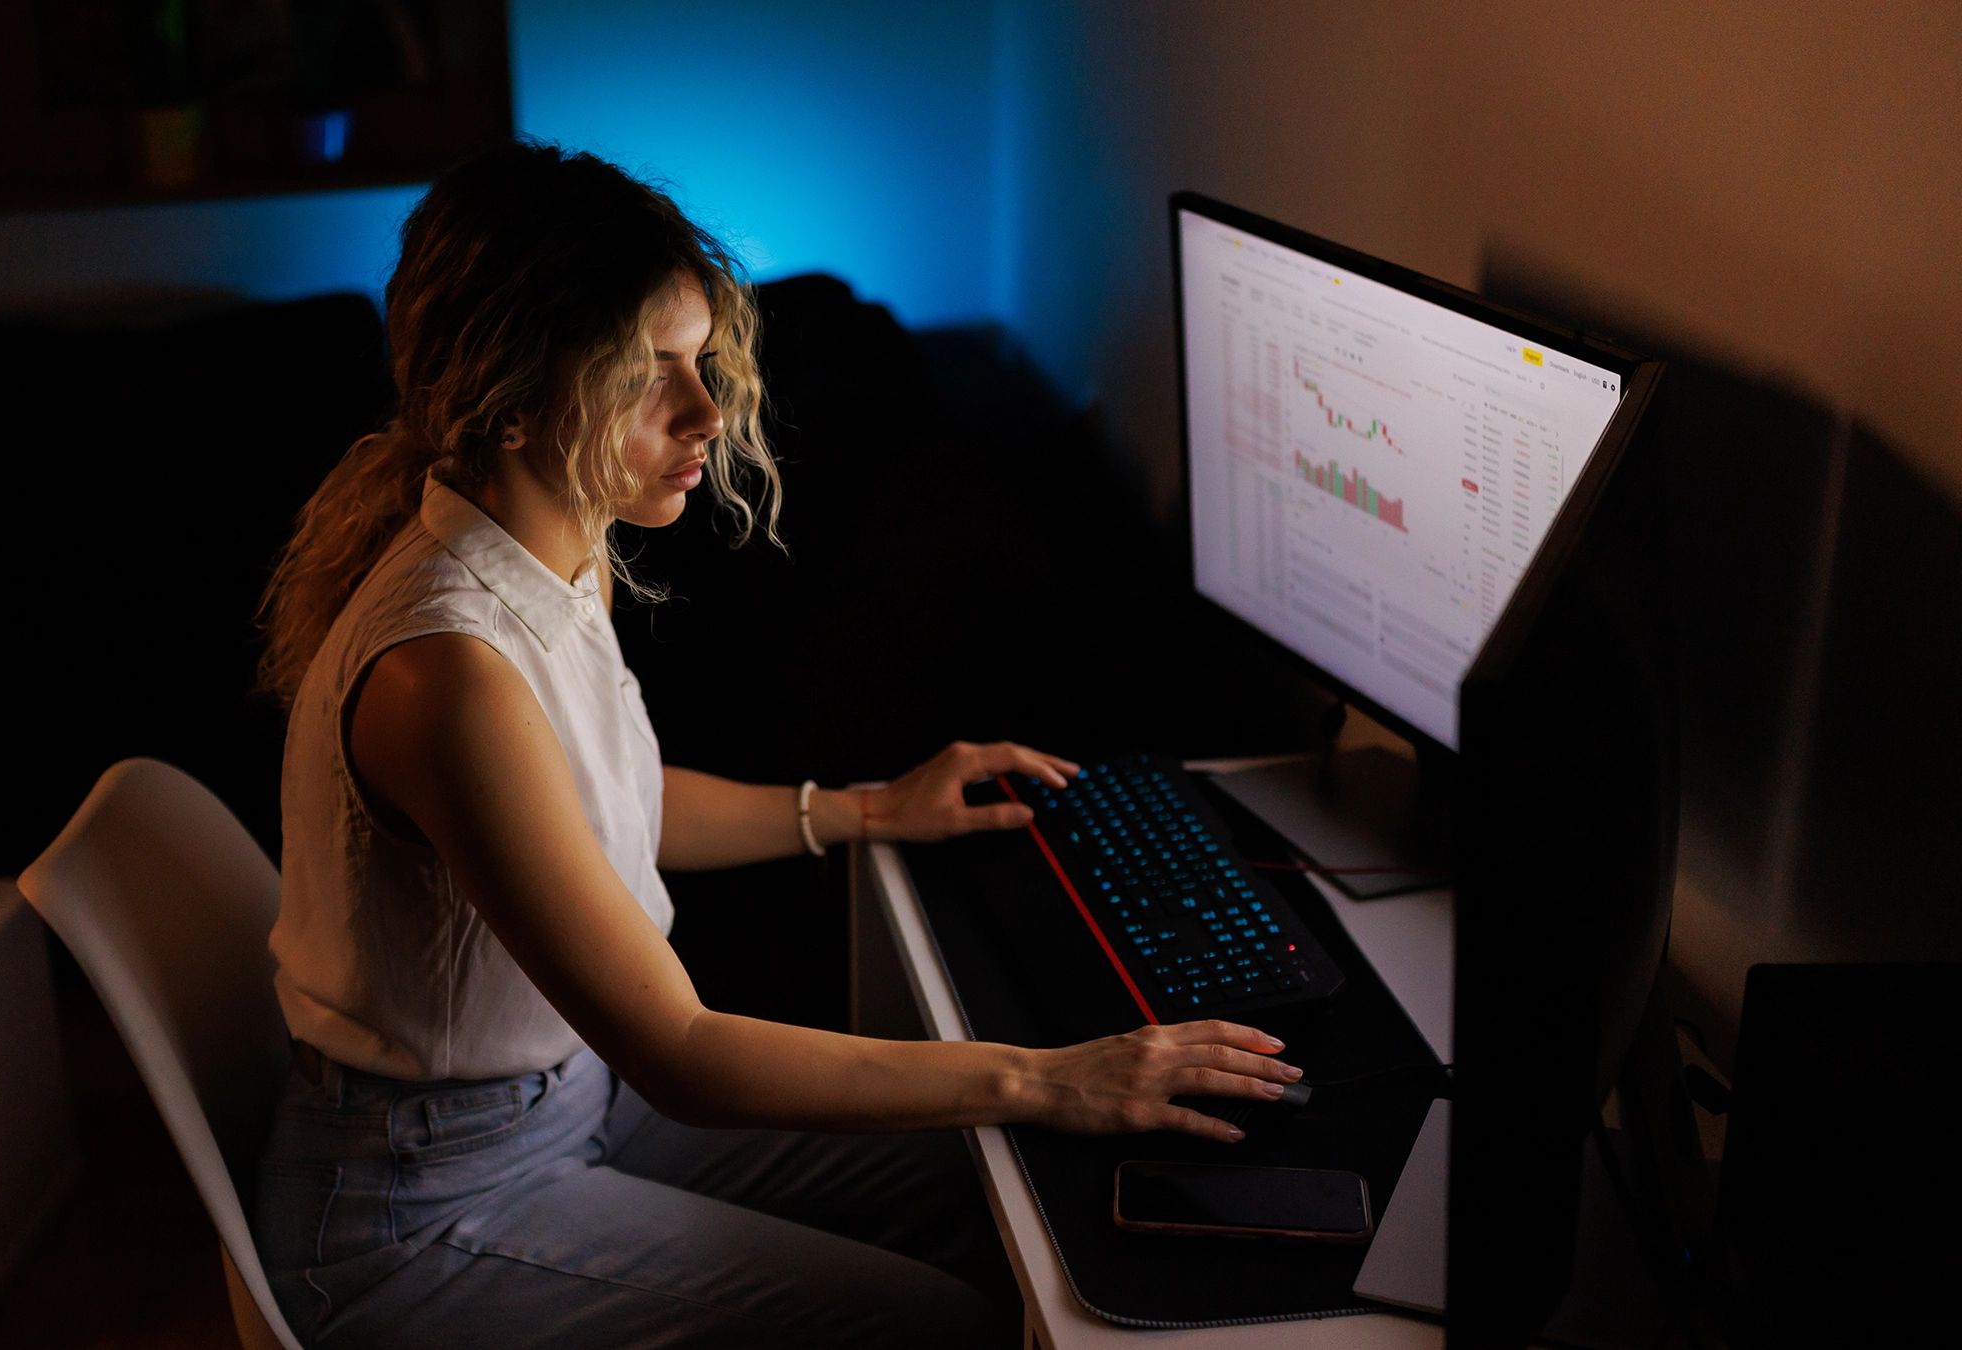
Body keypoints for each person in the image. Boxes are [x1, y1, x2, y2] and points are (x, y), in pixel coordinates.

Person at [251, 141, 1303, 1349]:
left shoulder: (551, 548)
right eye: (649, 376)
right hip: (421, 1207)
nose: (705, 412)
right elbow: (683, 1053)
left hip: (573, 1104)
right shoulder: (447, 673)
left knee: (1009, 1200)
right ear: (515, 390)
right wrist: (1048, 1072)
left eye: (699, 362)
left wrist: (859, 809)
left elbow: (620, 807)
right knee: (945, 1317)